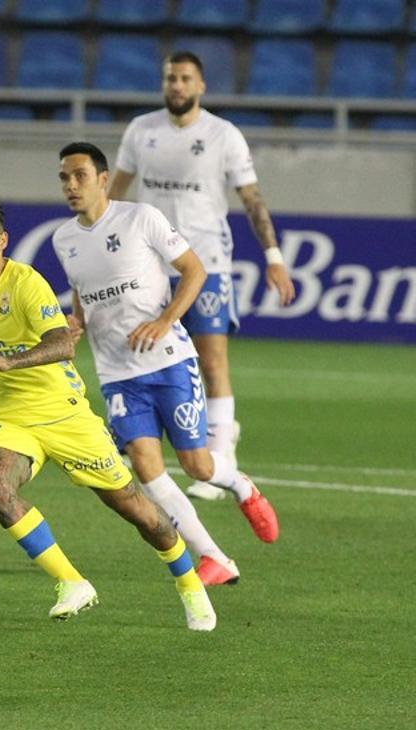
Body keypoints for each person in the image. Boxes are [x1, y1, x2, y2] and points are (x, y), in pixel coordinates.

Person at [0, 197, 217, 631]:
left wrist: (10, 361)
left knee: (137, 510)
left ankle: (189, 582)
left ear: (2, 241)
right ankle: (71, 582)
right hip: (10, 417)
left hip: (64, 415)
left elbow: (62, 344)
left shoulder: (26, 284)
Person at [53, 142, 280, 587]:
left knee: (197, 465)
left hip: (169, 362)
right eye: (64, 178)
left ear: (103, 179)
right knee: (146, 468)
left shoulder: (141, 218)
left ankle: (241, 485)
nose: (71, 185)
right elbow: (82, 288)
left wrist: (164, 321)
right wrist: (77, 321)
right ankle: (214, 556)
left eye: (80, 176)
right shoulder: (64, 239)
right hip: (118, 374)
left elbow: (195, 271)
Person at [107, 51, 296, 502]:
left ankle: (219, 457)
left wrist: (273, 256)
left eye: (185, 78)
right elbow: (115, 192)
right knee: (141, 351)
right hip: (150, 262)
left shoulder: (223, 135)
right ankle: (138, 442)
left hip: (206, 261)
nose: (176, 85)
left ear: (201, 86)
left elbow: (252, 200)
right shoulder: (141, 130)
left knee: (211, 361)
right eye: (170, 77)